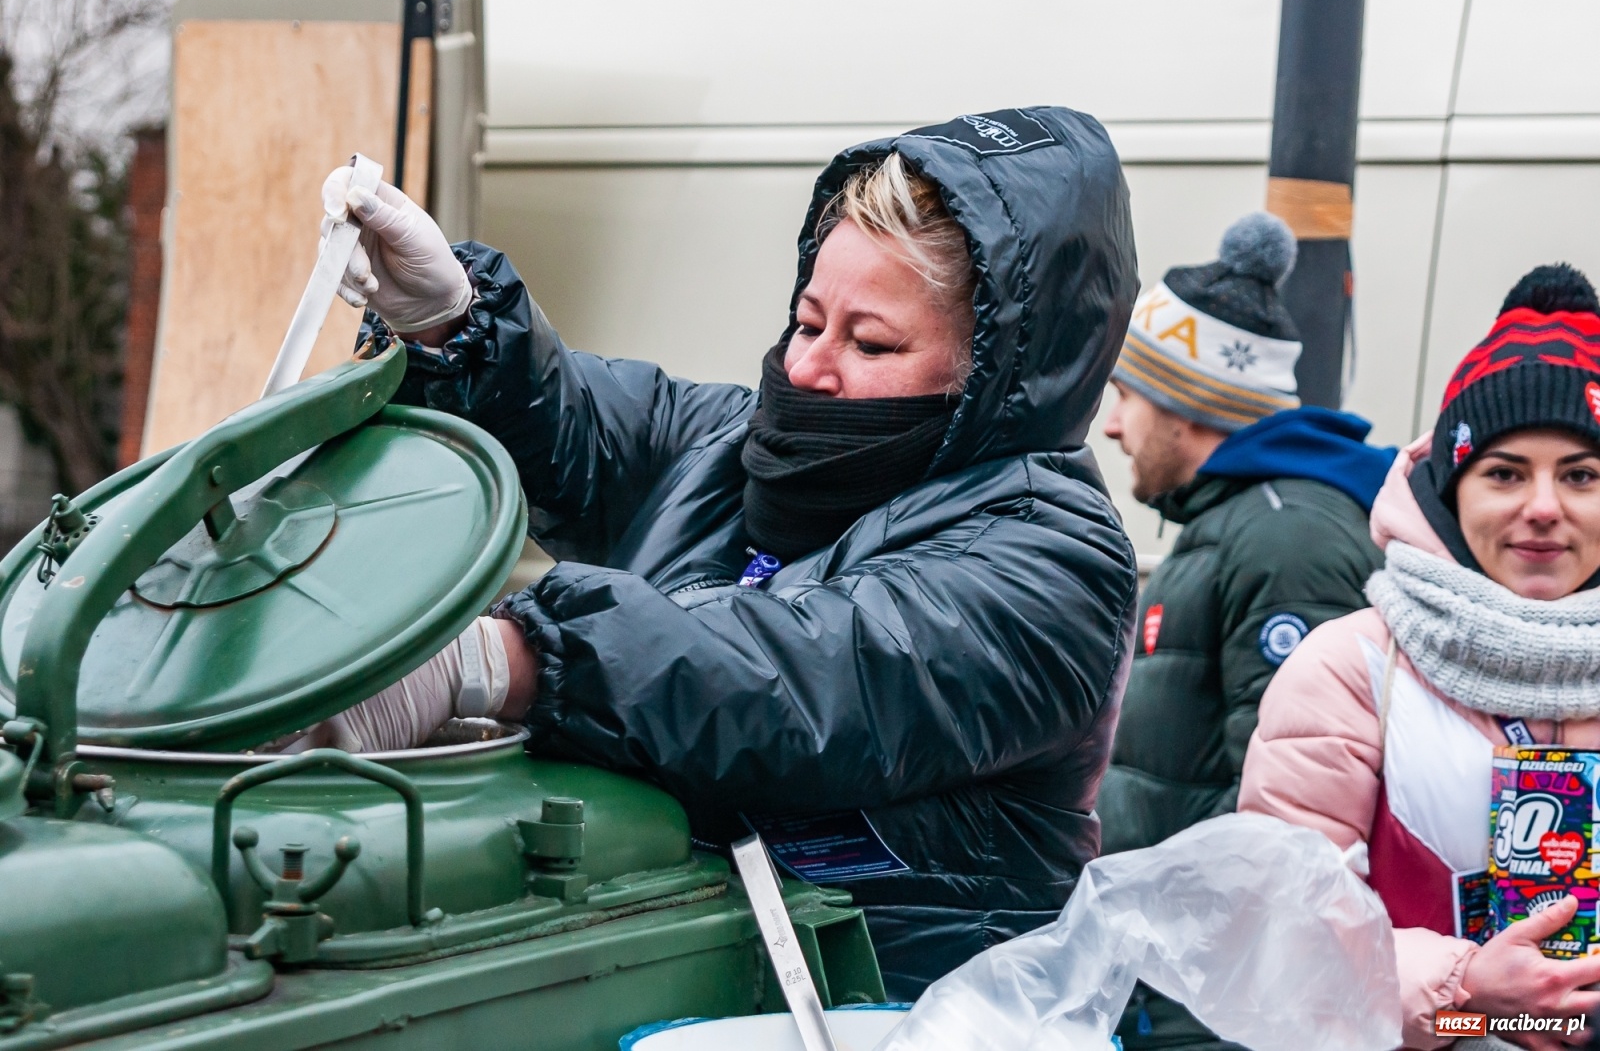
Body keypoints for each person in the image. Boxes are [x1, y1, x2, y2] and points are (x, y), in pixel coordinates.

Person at [294, 108, 1142, 999]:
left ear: (994, 374)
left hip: (905, 1012)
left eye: (870, 342)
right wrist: (454, 325)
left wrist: (511, 660)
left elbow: (808, 675)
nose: (809, 368)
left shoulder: (1053, 561)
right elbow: (578, 425)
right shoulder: (740, 447)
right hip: (691, 985)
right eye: (808, 322)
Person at [1240, 263, 1600, 1050]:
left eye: (1581, 475)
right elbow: (1283, 945)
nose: (1544, 507)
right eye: (1504, 473)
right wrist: (1469, 992)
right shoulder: (1352, 670)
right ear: (1449, 488)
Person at [1094, 212, 1396, 1050]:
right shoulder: (1236, 523)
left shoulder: (1282, 538)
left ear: (1189, 404)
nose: (1112, 426)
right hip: (1185, 982)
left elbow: (1292, 828)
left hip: (1222, 1003)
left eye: (1127, 396)